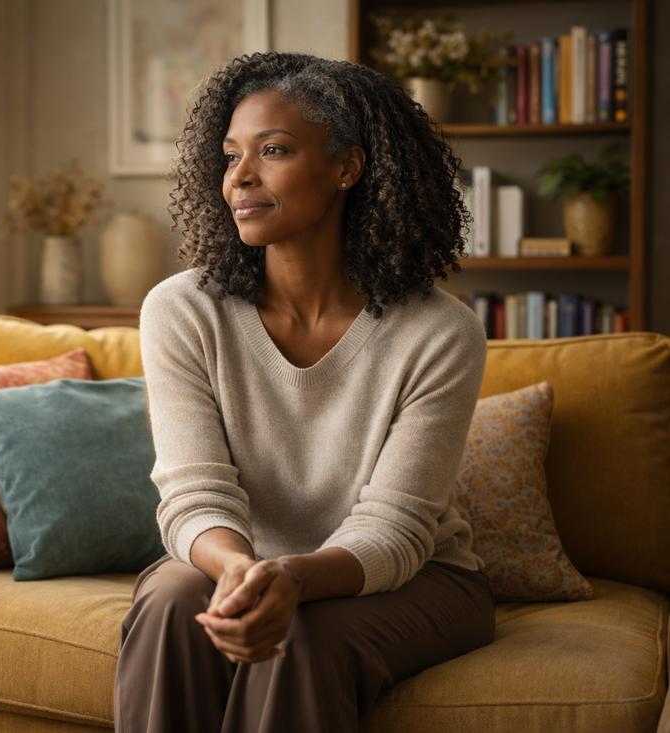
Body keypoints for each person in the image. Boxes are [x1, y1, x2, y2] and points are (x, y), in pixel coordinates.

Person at [114, 52, 494, 732]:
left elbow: (395, 529)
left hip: (413, 577)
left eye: (274, 150)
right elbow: (194, 494)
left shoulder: (440, 332)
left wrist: (292, 578)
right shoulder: (182, 310)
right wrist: (242, 572)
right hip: (244, 559)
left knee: (301, 633)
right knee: (172, 600)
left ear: (348, 167)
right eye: (231, 156)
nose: (241, 177)